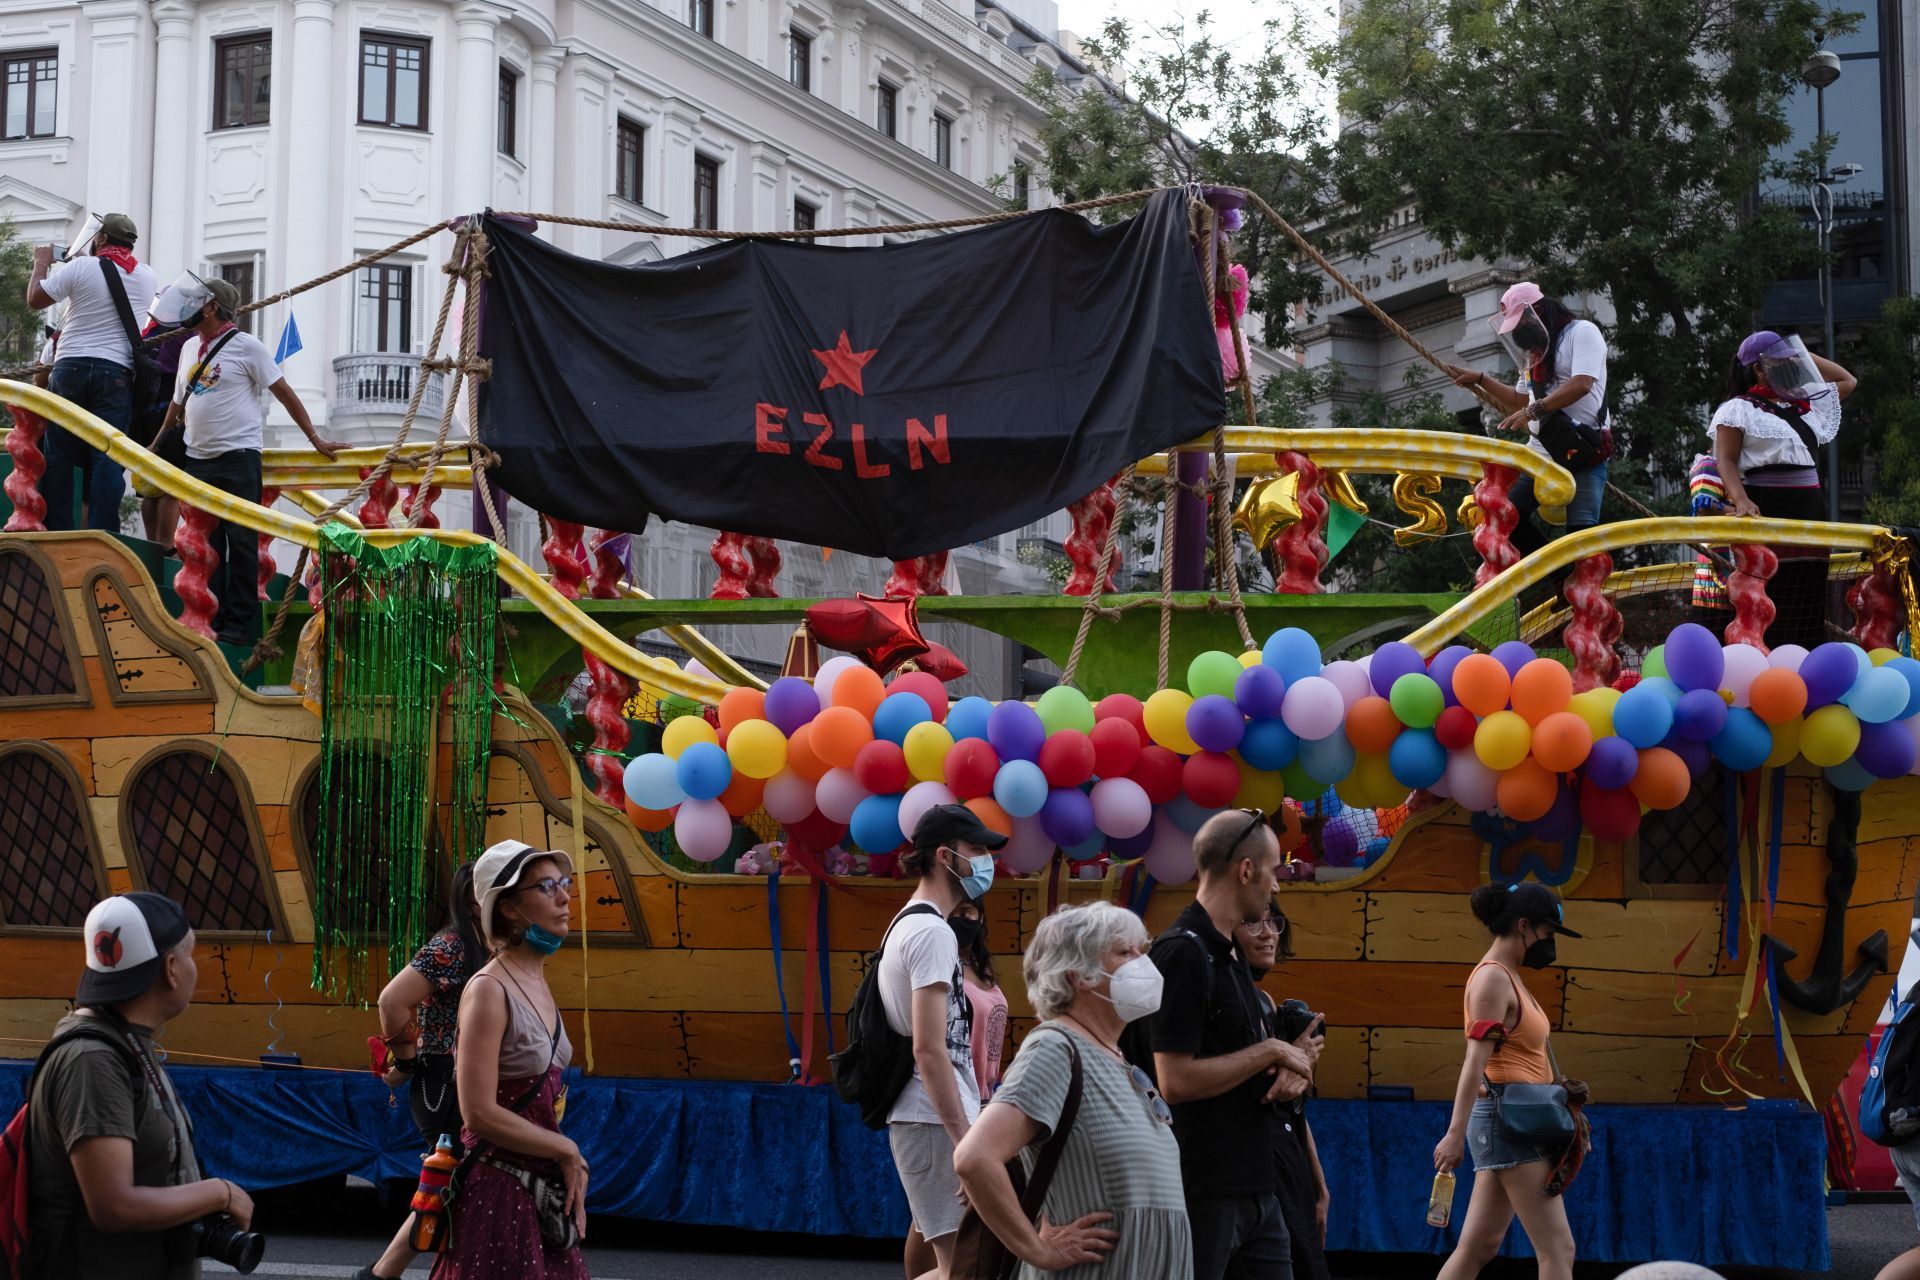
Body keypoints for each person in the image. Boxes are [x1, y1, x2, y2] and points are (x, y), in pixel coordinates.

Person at [1127, 808, 1322, 1280]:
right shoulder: (1183, 953)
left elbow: (1233, 1063)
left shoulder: (1230, 957)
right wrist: (1273, 1051)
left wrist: (1288, 1070)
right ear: (1247, 870)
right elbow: (1174, 1079)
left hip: (1257, 1186)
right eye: (1274, 871)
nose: (1277, 886)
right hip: (1203, 1189)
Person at [25, 892, 254, 1280]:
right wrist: (220, 1193)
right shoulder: (91, 1060)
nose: (195, 968)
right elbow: (114, 1206)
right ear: (171, 968)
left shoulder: (124, 1041)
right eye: (191, 955)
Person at [953, 901, 1189, 1277]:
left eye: (1142, 951)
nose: (1144, 964)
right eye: (1126, 952)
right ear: (1080, 973)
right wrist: (1039, 1251)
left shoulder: (1115, 1056)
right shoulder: (1055, 1047)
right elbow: (975, 1158)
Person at [154, 276, 341, 646]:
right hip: (197, 460)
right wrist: (155, 444)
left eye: (197, 300)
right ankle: (210, 615)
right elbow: (178, 403)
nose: (188, 305)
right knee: (205, 545)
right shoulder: (191, 347)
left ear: (211, 307)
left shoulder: (247, 346)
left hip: (238, 458)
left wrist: (314, 437)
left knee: (241, 543)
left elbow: (284, 392)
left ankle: (239, 625)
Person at [432, 840, 588, 1280]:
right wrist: (566, 1148)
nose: (563, 898)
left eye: (564, 884)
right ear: (509, 910)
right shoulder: (488, 990)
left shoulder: (534, 977)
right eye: (545, 887)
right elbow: (478, 1113)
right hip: (500, 1195)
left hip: (538, 1192)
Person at [880, 804, 1007, 1280]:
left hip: (931, 1119)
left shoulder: (917, 924)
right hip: (932, 1121)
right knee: (964, 1269)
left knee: (965, 1268)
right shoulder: (932, 932)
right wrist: (965, 1145)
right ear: (945, 856)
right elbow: (929, 1050)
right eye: (976, 850)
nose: (986, 861)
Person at [1433, 882, 1583, 1280]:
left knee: (1478, 1246)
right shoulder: (1494, 980)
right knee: (1558, 1249)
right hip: (1511, 1123)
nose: (1550, 944)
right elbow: (1474, 1062)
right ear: (1523, 926)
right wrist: (1453, 1135)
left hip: (1514, 1118)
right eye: (1548, 933)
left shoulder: (1508, 977)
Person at [355, 864, 486, 1280]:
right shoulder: (451, 945)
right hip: (443, 1081)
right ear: (472, 900)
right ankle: (380, 1274)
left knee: (456, 1187)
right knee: (449, 1186)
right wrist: (408, 1060)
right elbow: (391, 1000)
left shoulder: (493, 945)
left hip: (466, 1076)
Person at [1709, 330, 1857, 651]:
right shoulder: (1738, 408)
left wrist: (1798, 352)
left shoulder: (1803, 402)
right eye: (1781, 361)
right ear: (1760, 369)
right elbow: (1726, 461)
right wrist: (1742, 500)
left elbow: (1848, 380)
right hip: (1766, 504)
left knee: (1808, 586)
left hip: (1810, 507)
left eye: (1792, 360)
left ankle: (1805, 666)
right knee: (1772, 590)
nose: (1790, 365)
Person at [1446, 282, 1611, 563]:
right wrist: (1481, 379)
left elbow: (1582, 383)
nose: (1517, 331)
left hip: (1584, 448)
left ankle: (1580, 589)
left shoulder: (1582, 333)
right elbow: (1519, 399)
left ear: (1537, 311)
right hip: (1543, 449)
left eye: (1519, 323)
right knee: (1506, 517)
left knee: (1581, 536)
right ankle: (1555, 577)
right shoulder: (1536, 356)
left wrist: (1534, 410)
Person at [25, 213, 158, 533]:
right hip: (116, 373)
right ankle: (103, 533)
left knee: (59, 454)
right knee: (107, 457)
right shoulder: (146, 276)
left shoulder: (81, 267)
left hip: (71, 368)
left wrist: (42, 263)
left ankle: (57, 529)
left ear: (99, 238)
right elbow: (107, 278)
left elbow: (34, 300)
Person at [904, 896, 1009, 1278]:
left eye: (971, 911)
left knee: (926, 1221)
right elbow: (929, 1044)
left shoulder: (980, 967)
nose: (963, 919)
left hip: (985, 1099)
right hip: (951, 1102)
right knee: (944, 1232)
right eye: (957, 912)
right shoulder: (939, 963)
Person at [1234, 902, 1331, 1280]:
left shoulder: (1264, 1002)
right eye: (1252, 922)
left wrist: (1319, 1186)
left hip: (1288, 1163)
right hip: (1253, 1167)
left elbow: (1293, 1107)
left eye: (1274, 922)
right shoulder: (1227, 1004)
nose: (1269, 933)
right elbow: (1269, 1092)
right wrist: (1296, 1056)